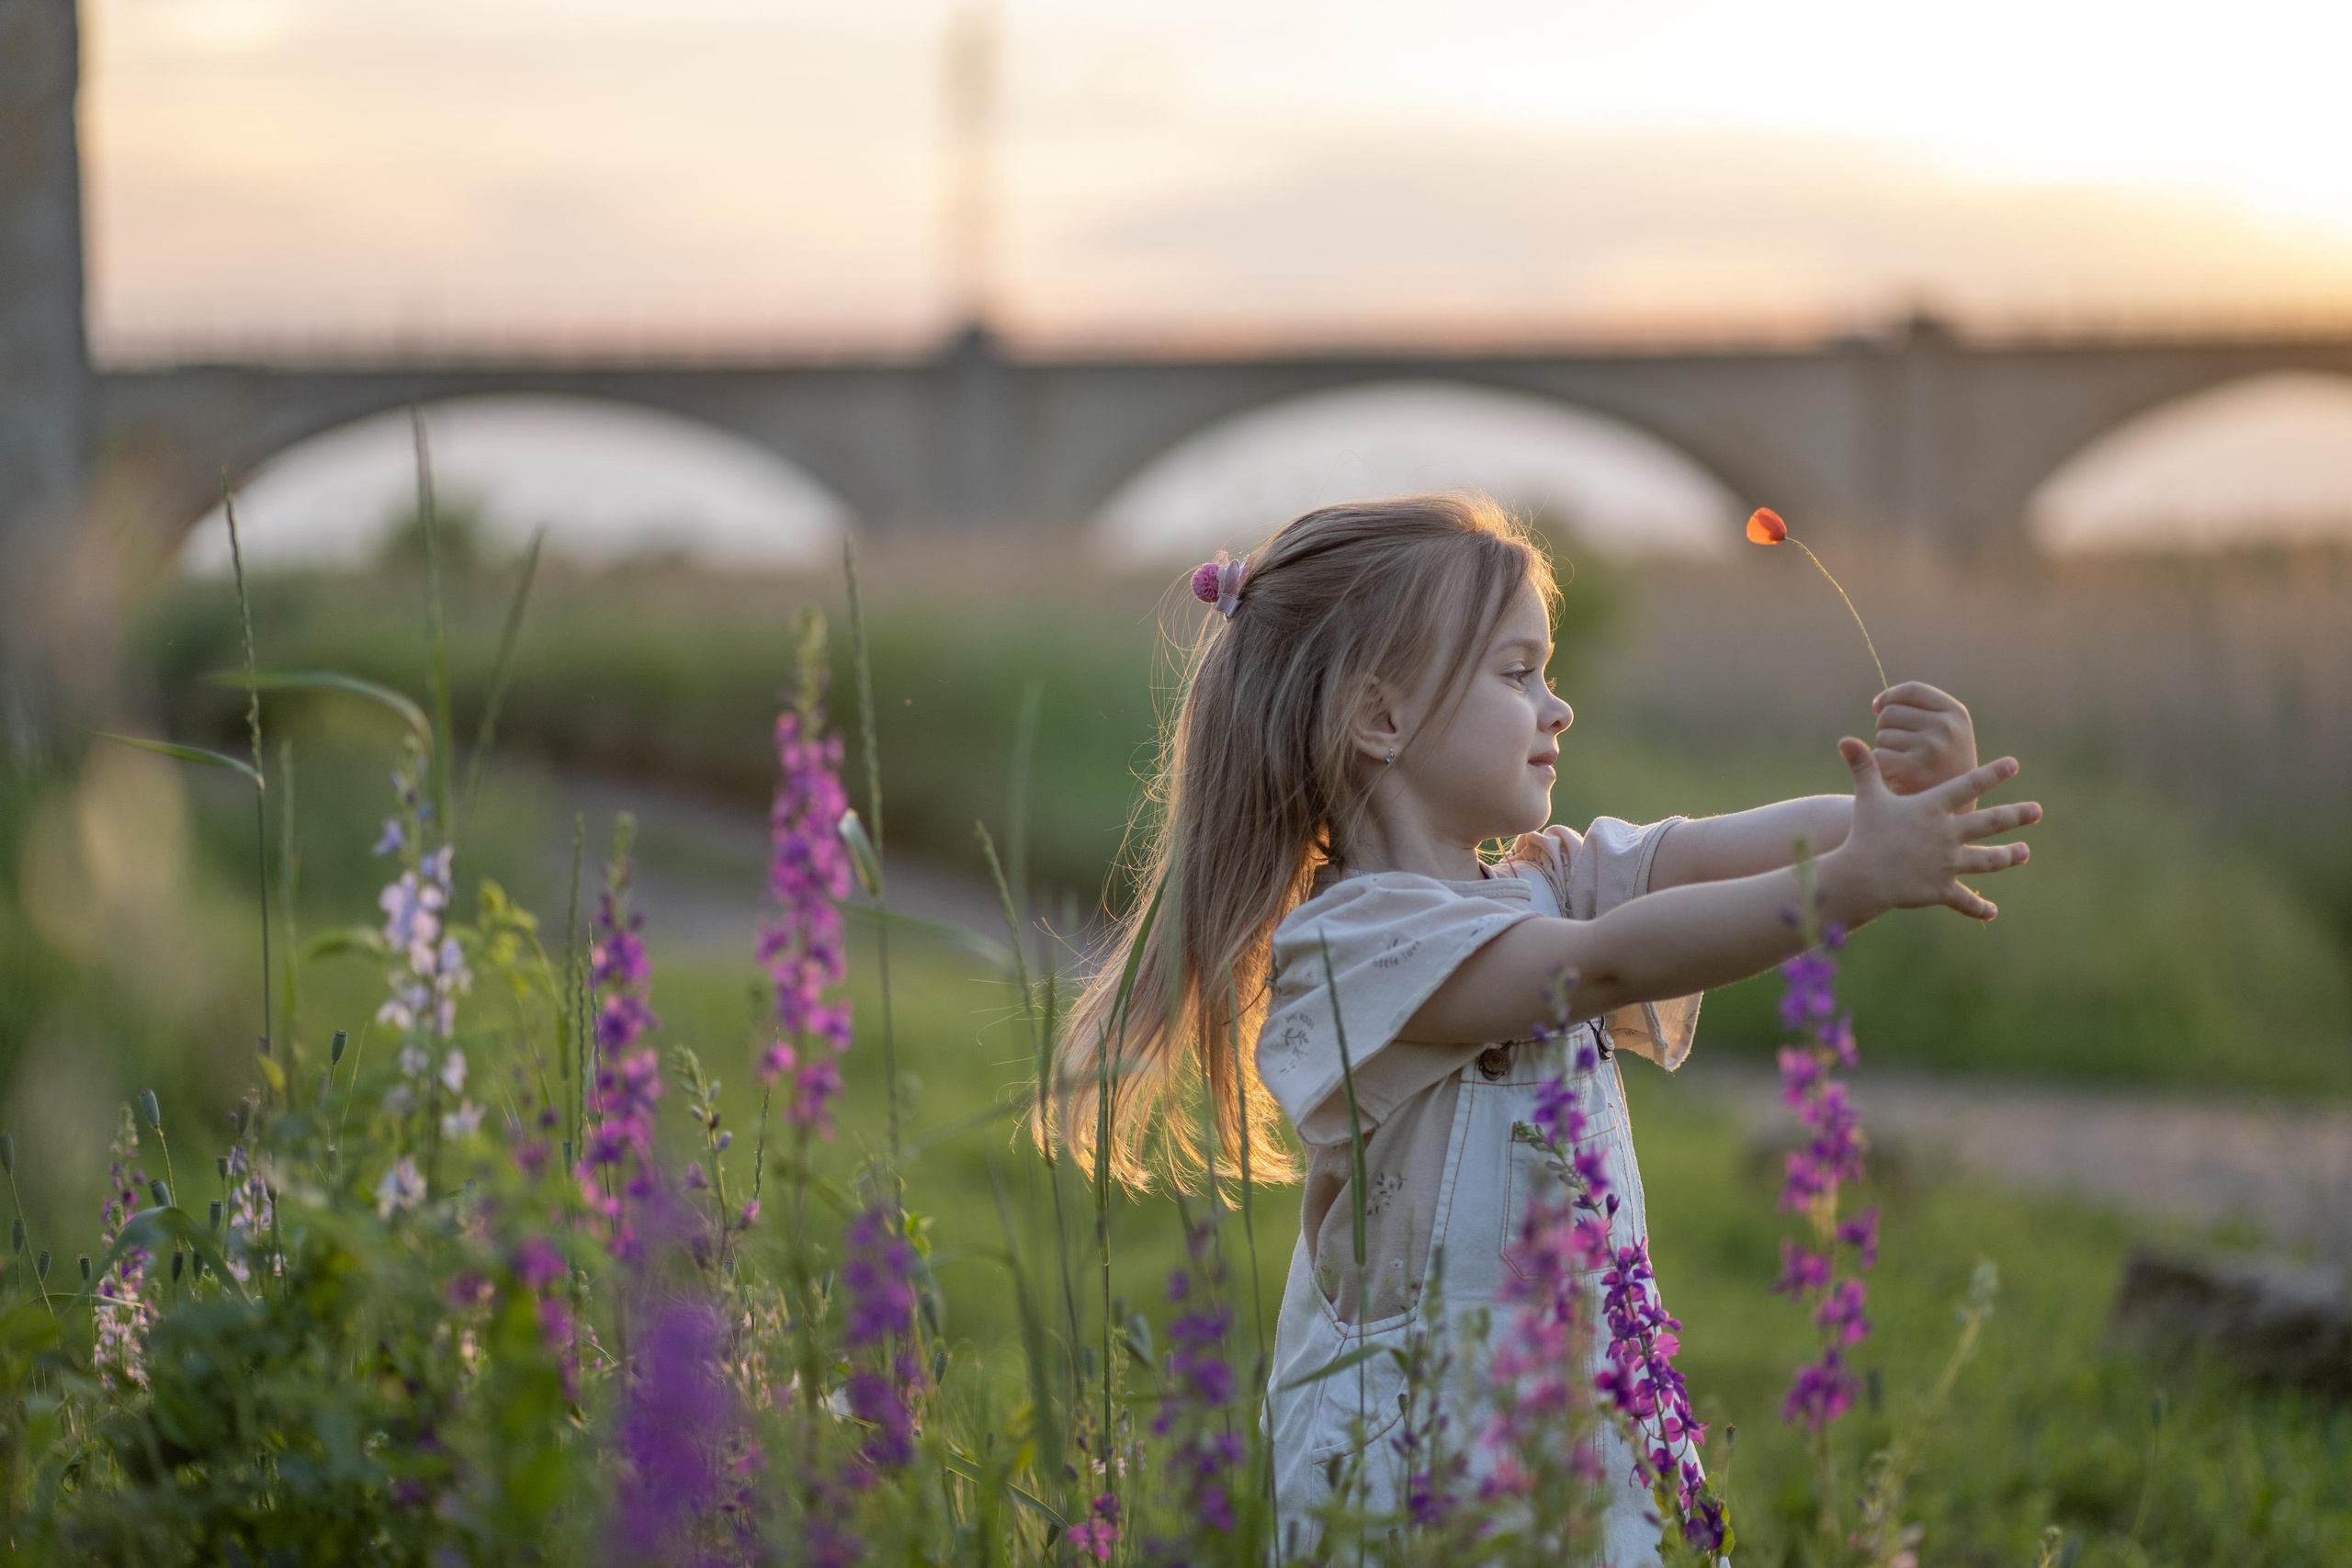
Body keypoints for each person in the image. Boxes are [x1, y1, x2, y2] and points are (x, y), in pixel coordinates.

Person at [1043, 492, 2040, 1562]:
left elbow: (1710, 852)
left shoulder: (1546, 881)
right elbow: (1597, 968)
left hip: (1581, 1407)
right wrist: (1848, 886)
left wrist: (1891, 812)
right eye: (1517, 676)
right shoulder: (1353, 945)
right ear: (1380, 718)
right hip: (1415, 1450)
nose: (1556, 708)